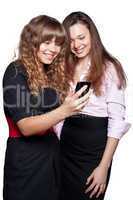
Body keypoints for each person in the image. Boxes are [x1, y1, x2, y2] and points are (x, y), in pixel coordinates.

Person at [3, 15, 90, 200]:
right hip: (25, 163)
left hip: (51, 159)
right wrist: (64, 110)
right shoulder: (16, 71)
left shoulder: (49, 72)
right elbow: (25, 127)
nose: (53, 49)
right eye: (47, 42)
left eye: (58, 43)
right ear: (32, 40)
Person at [54, 11, 130, 200]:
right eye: (71, 40)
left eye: (81, 37)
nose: (77, 45)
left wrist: (104, 167)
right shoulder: (64, 66)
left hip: (93, 152)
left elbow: (117, 122)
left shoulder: (109, 67)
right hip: (65, 147)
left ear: (92, 36)